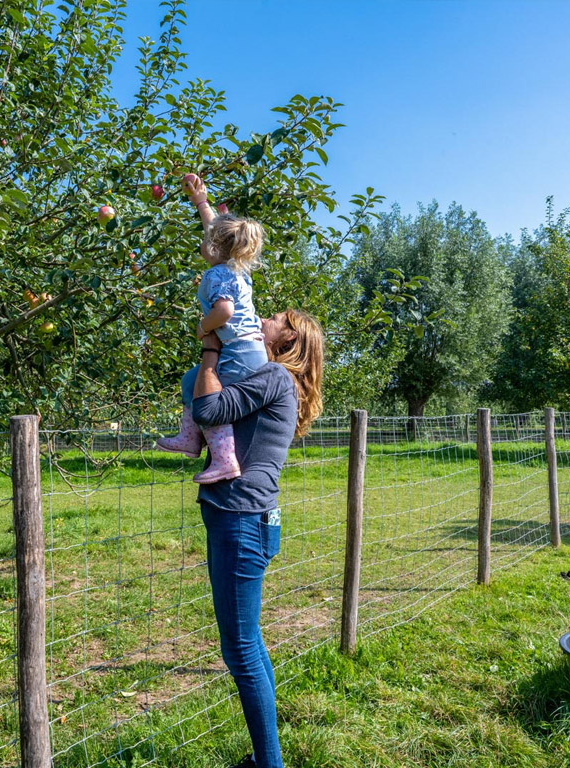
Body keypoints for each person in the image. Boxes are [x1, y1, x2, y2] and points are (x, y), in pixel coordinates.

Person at [190, 309, 324, 768]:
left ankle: (269, 764)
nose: (263, 317)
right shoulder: (274, 380)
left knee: (242, 651)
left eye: (276, 317)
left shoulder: (272, 377)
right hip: (249, 519)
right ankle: (267, 758)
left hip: (241, 521)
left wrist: (210, 348)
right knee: (248, 645)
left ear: (290, 338)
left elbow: (206, 409)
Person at [155, 174, 268, 484]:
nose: (202, 242)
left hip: (238, 352)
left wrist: (203, 327)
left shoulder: (216, 275)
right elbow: (214, 230)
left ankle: (224, 459)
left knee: (210, 399)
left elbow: (224, 311)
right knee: (192, 381)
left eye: (206, 240)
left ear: (217, 249)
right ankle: (190, 438)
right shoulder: (235, 267)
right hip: (251, 350)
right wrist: (201, 202)